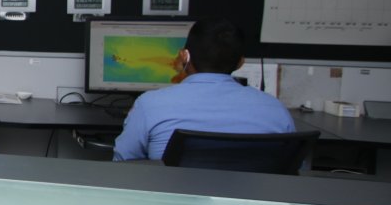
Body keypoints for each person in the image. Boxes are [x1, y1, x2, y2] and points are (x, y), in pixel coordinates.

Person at [112, 18, 295, 162]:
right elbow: (294, 171)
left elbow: (124, 164)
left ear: (185, 56)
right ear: (240, 63)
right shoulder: (275, 110)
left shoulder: (149, 104)